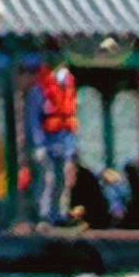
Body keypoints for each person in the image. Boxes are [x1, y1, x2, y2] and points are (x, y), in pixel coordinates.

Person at [31, 57, 84, 220]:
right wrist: (38, 144)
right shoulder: (40, 89)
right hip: (48, 142)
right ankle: (44, 214)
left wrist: (75, 146)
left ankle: (60, 213)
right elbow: (33, 118)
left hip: (66, 141)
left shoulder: (70, 86)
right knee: (48, 178)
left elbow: (73, 116)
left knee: (64, 179)